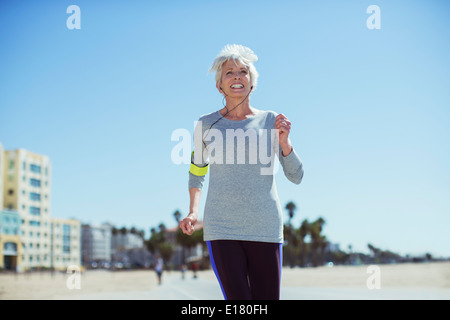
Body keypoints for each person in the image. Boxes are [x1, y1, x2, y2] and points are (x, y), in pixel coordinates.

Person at [179, 44, 304, 300]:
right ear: (219, 86)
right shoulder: (205, 124)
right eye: (229, 72)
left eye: (243, 71)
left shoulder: (272, 121)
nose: (237, 76)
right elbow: (197, 170)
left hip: (265, 227)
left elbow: (297, 176)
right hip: (222, 228)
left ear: (252, 82)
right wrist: (193, 211)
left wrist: (285, 143)